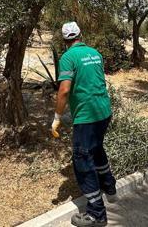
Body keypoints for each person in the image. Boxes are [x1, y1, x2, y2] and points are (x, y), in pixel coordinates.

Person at [51, 22, 116, 227]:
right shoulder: (95, 53)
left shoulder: (68, 57)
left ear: (65, 40)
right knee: (96, 148)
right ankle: (109, 187)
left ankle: (97, 213)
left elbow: (63, 90)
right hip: (104, 111)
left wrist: (57, 117)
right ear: (81, 35)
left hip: (86, 116)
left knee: (82, 158)